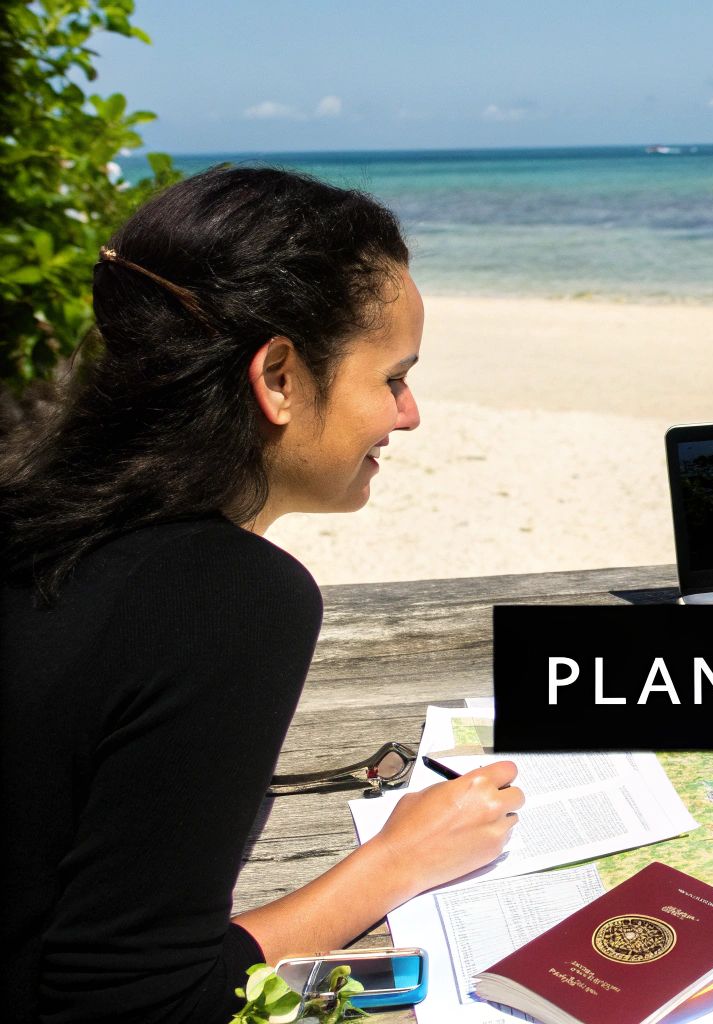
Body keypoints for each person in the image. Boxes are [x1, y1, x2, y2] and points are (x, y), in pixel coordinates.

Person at [0, 166, 526, 1023]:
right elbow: (133, 1007)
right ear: (278, 376)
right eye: (392, 378)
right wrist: (393, 862)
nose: (410, 413)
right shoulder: (226, 598)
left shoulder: (37, 506)